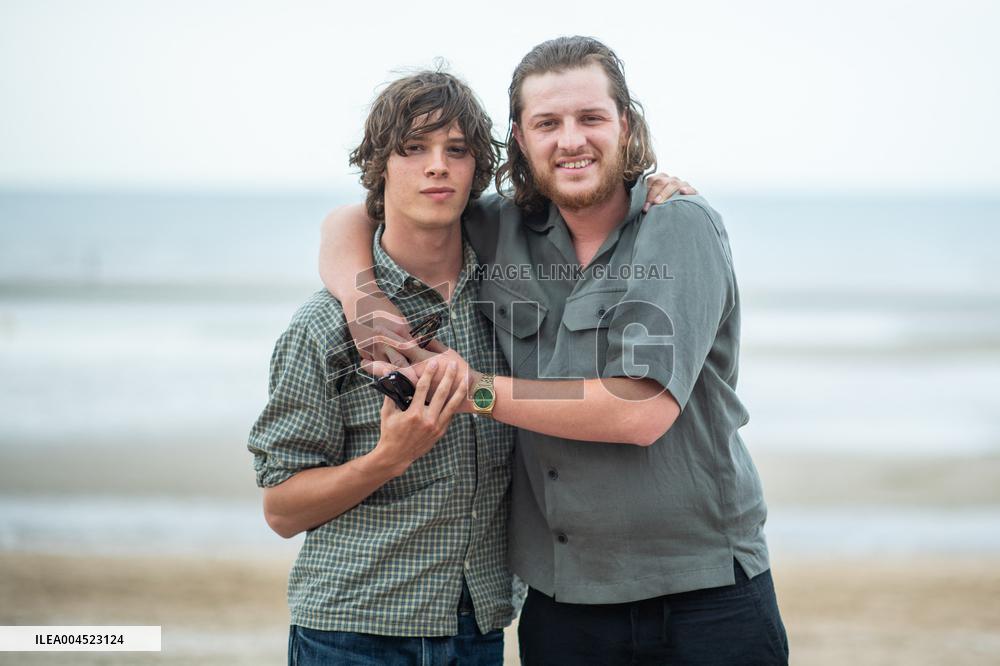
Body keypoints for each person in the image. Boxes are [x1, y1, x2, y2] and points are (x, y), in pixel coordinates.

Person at [320, 36, 788, 664]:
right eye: (548, 123)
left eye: (590, 118)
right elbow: (360, 217)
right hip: (563, 606)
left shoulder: (678, 226)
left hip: (704, 597)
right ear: (519, 137)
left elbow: (638, 411)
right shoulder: (498, 226)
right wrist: (363, 302)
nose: (571, 140)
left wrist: (470, 389)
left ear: (625, 123)